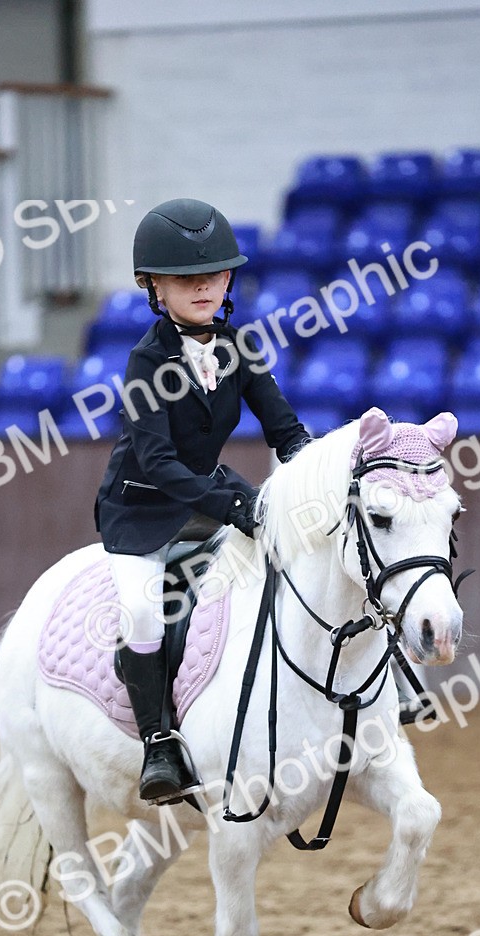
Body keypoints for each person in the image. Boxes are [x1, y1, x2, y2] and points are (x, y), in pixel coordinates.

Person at [95, 198, 310, 804]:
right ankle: (159, 742)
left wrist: (315, 472)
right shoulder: (145, 362)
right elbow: (160, 464)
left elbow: (285, 432)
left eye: (214, 275)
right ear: (153, 287)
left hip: (210, 489)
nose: (204, 287)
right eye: (186, 278)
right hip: (140, 508)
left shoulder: (239, 344)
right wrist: (233, 508)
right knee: (141, 612)